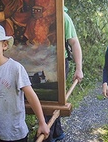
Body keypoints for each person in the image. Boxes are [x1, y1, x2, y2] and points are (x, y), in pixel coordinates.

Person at [42, 8, 84, 142]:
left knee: (51, 99)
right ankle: (57, 132)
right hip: (41, 62)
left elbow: (74, 42)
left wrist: (79, 69)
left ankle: (47, 136)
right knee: (51, 98)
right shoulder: (36, 14)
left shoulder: (63, 17)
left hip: (59, 64)